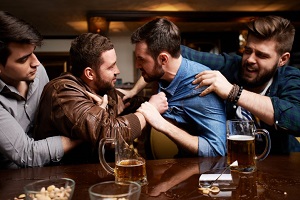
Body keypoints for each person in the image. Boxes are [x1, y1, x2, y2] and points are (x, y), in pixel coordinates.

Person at [33, 33, 168, 164]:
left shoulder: (104, 89)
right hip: (65, 180)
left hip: (97, 176)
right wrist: (149, 111)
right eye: (111, 67)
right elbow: (108, 134)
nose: (117, 71)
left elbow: (137, 103)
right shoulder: (63, 92)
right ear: (90, 73)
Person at [180, 15, 300, 154]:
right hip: (231, 165)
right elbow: (181, 53)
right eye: (248, 51)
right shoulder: (233, 65)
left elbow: (296, 119)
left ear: (282, 59)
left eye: (261, 55)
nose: (250, 60)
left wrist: (233, 92)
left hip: (282, 164)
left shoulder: (290, 78)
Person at [130, 18, 227, 157]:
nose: (137, 65)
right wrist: (131, 94)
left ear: (163, 59)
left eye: (141, 59)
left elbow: (217, 149)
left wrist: (162, 124)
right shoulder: (164, 72)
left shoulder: (201, 86)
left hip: (195, 174)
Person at [0, 11, 78, 169]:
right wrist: (83, 135)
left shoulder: (38, 71)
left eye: (33, 52)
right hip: (9, 180)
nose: (36, 62)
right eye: (23, 59)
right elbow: (26, 154)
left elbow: (54, 107)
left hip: (50, 169)